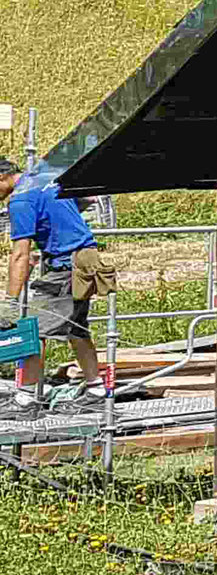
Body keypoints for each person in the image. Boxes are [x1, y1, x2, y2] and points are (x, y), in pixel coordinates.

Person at [0, 157, 108, 417]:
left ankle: (26, 399)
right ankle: (95, 390)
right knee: (76, 329)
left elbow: (20, 255)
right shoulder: (45, 179)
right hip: (85, 261)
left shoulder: (21, 199)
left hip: (65, 267)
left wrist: (10, 300)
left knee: (33, 331)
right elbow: (77, 204)